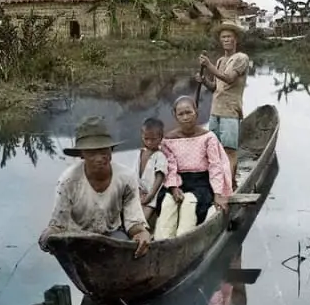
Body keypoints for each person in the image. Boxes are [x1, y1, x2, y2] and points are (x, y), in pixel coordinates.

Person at [38, 116, 152, 258]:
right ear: (81, 154)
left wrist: (141, 233)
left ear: (111, 150)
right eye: (92, 153)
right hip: (78, 237)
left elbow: (133, 220)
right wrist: (49, 234)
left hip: (112, 235)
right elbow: (59, 223)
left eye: (104, 151)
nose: (99, 158)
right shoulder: (68, 181)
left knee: (129, 248)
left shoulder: (126, 178)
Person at [154, 96, 233, 240]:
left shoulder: (208, 137)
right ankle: (162, 242)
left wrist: (218, 194)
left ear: (196, 112)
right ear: (175, 116)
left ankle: (182, 240)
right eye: (181, 114)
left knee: (189, 203)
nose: (185, 117)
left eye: (188, 112)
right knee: (167, 203)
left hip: (201, 182)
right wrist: (173, 187)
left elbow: (215, 166)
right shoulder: (169, 140)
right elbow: (171, 167)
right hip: (178, 182)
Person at [195, 20, 250, 190]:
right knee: (214, 149)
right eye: (223, 37)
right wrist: (204, 80)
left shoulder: (241, 58)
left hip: (230, 111)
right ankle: (216, 183)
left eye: (229, 37)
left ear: (235, 40)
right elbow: (216, 87)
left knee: (229, 150)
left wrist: (208, 65)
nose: (226, 40)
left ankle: (230, 184)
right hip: (215, 111)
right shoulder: (220, 61)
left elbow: (229, 78)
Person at [133, 117, 168, 222]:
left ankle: (141, 231)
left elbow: (159, 178)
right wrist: (138, 190)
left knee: (143, 219)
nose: (149, 142)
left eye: (153, 139)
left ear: (161, 138)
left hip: (152, 195)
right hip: (139, 192)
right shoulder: (140, 153)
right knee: (131, 213)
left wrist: (150, 195)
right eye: (146, 138)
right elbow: (135, 174)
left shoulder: (160, 156)